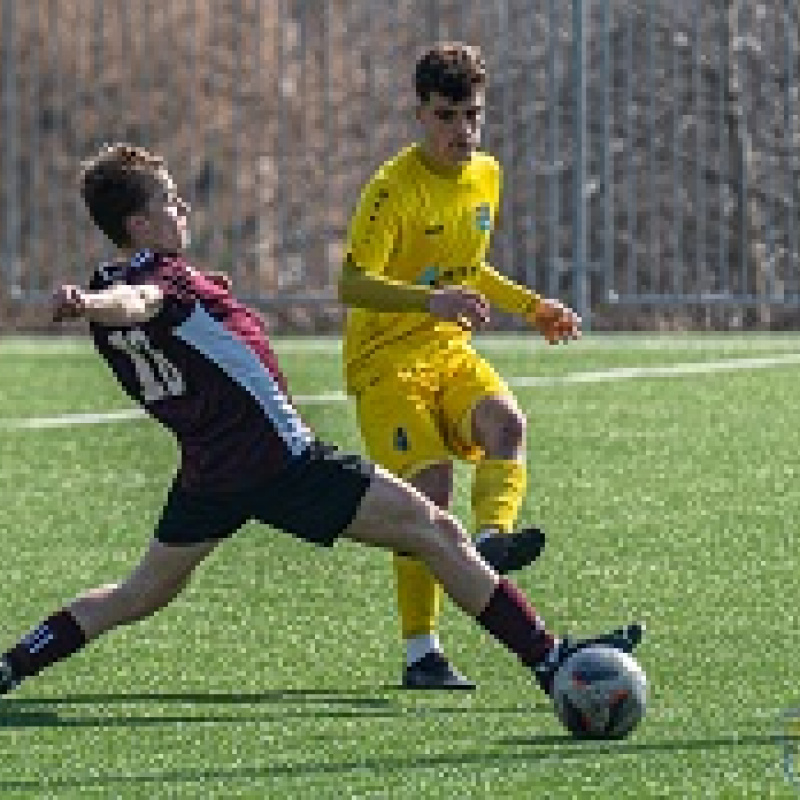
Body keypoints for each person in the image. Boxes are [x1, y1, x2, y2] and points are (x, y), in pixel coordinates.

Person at [0, 143, 642, 705]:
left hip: (211, 475)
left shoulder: (128, 278)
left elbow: (128, 304)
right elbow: (137, 303)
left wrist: (91, 301)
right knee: (435, 528)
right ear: (139, 223)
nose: (183, 209)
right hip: (283, 463)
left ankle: (12, 665)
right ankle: (549, 659)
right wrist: (93, 306)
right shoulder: (154, 281)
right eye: (170, 202)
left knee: (138, 594)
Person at [339, 42, 581, 689]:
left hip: (444, 351)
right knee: (427, 499)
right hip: (384, 363)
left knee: (507, 425)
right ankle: (422, 652)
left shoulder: (487, 175)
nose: (463, 131)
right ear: (420, 115)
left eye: (472, 115)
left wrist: (534, 308)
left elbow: (467, 270)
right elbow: (352, 283)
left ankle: (495, 540)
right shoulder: (392, 190)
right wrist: (431, 300)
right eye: (447, 116)